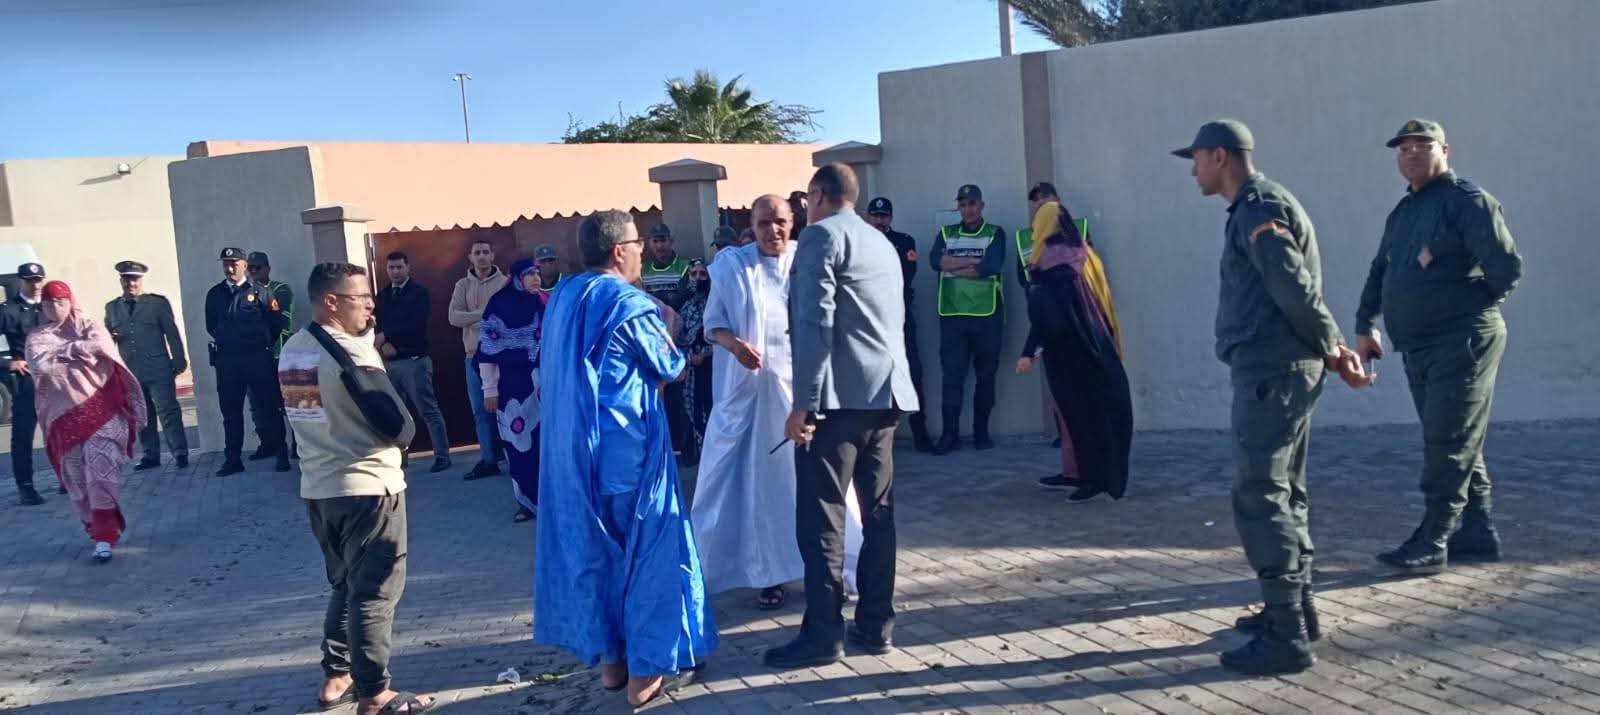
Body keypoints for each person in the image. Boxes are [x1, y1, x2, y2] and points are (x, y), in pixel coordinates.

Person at [1175, 119, 1371, 675]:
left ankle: (1287, 636)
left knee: (1260, 494)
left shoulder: (1258, 207)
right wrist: (1329, 348)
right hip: (1279, 368)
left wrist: (1333, 346)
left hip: (1272, 370)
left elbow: (1292, 285)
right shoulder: (1259, 205)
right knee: (1286, 493)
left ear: (1220, 156)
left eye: (1196, 159)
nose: (1192, 171)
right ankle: (1297, 610)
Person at [535, 209, 715, 708]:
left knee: (599, 558)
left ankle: (612, 667)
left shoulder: (564, 296)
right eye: (636, 244)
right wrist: (670, 323)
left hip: (573, 459)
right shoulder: (628, 304)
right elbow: (670, 365)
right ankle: (646, 675)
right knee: (649, 558)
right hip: (626, 454)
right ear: (619, 251)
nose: (641, 252)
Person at [766, 163, 919, 669]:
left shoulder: (819, 237)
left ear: (816, 195)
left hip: (837, 402)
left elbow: (816, 323)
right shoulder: (880, 241)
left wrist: (803, 403)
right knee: (878, 516)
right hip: (885, 394)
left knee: (822, 519)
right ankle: (875, 625)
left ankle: (823, 634)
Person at [1356, 119, 1523, 572]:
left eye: (1422, 145)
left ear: (1444, 151)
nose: (1411, 152)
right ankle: (1478, 531)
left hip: (1461, 341)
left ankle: (1433, 538)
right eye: (1403, 147)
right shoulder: (1404, 211)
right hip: (1418, 346)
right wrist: (1365, 323)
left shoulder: (1466, 202)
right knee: (1454, 435)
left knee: (1447, 441)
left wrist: (1464, 309)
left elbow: (1506, 269)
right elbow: (1380, 269)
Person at [692, 195, 865, 610]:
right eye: (764, 223)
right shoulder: (734, 268)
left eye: (781, 222)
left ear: (794, 222)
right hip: (751, 402)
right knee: (760, 490)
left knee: (823, 485)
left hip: (802, 397)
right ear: (751, 226)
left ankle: (837, 569)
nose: (773, 230)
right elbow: (712, 325)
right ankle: (766, 574)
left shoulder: (810, 262)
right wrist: (735, 345)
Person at [280, 262, 432, 715]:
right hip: (368, 486)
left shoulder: (294, 349)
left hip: (319, 487)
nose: (370, 306)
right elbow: (399, 425)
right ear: (331, 302)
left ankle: (336, 676)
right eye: (360, 298)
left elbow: (314, 412)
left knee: (345, 584)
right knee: (374, 592)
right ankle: (374, 692)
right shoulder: (353, 353)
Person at [1014, 201, 1134, 503]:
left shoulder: (1050, 262)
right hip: (1096, 344)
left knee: (1080, 418)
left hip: (1070, 353)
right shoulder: (1083, 253)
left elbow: (1047, 314)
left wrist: (1030, 350)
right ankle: (1087, 475)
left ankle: (1090, 479)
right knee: (1093, 415)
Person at [28, 280, 147, 562]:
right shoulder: (37, 336)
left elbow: (101, 346)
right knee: (78, 482)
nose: (54, 307)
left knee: (100, 473)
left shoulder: (89, 325)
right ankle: (97, 528)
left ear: (70, 301)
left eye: (60, 301)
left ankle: (105, 535)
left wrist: (63, 353)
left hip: (102, 411)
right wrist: (79, 352)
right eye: (48, 303)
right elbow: (40, 365)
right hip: (63, 420)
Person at [929, 184, 1008, 454]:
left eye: (972, 203)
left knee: (986, 378)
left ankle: (981, 434)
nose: (968, 209)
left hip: (987, 317)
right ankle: (949, 436)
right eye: (963, 205)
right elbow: (935, 262)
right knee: (952, 378)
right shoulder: (946, 233)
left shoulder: (995, 233)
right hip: (952, 316)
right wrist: (972, 263)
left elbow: (990, 266)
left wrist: (954, 265)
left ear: (981, 205)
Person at [205, 247, 290, 476]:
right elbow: (211, 325)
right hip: (228, 360)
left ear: (244, 265)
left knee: (270, 407)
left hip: (257, 357)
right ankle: (233, 460)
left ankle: (281, 454)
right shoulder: (215, 294)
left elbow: (276, 324)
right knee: (230, 412)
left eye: (234, 263)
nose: (230, 268)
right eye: (226, 264)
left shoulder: (261, 292)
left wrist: (259, 343)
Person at [477, 258, 546, 523]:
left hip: (542, 385)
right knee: (518, 445)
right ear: (517, 278)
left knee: (545, 443)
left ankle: (550, 501)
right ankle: (526, 502)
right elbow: (487, 350)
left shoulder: (543, 303)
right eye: (529, 274)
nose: (536, 278)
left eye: (537, 273)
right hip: (510, 387)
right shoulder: (498, 304)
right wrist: (489, 389)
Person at [104, 260, 189, 471]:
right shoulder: (112, 308)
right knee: (142, 415)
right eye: (126, 279)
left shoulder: (157, 304)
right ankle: (151, 455)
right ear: (121, 281)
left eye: (135, 279)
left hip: (158, 368)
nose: (131, 284)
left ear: (141, 280)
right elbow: (105, 340)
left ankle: (179, 452)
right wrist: (111, 339)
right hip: (131, 370)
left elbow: (172, 333)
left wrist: (179, 360)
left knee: (168, 411)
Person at [865, 196, 935, 452]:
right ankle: (873, 438)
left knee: (913, 374)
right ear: (868, 218)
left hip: (900, 319)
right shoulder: (860, 243)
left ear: (891, 217)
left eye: (883, 216)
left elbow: (906, 274)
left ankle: (921, 434)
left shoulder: (904, 241)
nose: (879, 221)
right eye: (875, 216)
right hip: (870, 321)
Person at [374, 251, 452, 473]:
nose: (395, 272)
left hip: (414, 360)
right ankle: (400, 458)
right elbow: (376, 324)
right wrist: (382, 345)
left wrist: (387, 337)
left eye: (399, 267)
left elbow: (414, 324)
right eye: (391, 267)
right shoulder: (383, 296)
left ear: (408, 267)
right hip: (390, 363)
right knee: (396, 413)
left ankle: (442, 455)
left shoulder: (419, 294)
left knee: (427, 409)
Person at [448, 235, 508, 480]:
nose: (481, 256)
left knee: (506, 407)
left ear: (492, 255)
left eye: (485, 252)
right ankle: (489, 460)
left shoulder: (504, 283)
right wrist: (485, 314)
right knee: (481, 411)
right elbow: (453, 317)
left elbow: (506, 317)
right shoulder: (462, 285)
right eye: (477, 253)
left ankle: (513, 455)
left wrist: (472, 317)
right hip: (473, 356)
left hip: (501, 356)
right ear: (470, 257)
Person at [2, 262, 50, 505]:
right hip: (26, 382)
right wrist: (7, 363)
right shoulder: (7, 310)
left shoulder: (50, 306)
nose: (35, 285)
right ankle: (26, 486)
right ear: (20, 281)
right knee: (23, 436)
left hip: (54, 379)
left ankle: (68, 478)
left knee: (61, 430)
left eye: (39, 280)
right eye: (30, 281)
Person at [248, 252, 297, 461]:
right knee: (258, 404)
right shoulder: (244, 292)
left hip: (280, 354)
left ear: (267, 268)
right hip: (255, 356)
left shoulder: (280, 289)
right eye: (250, 268)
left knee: (289, 403)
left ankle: (296, 444)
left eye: (258, 267)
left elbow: (277, 318)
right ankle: (268, 443)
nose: (254, 272)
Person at [676, 258, 714, 462]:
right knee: (693, 412)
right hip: (689, 368)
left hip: (713, 367)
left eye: (703, 274)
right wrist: (690, 356)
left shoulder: (715, 303)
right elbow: (677, 338)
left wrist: (705, 353)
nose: (698, 278)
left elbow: (721, 335)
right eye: (694, 274)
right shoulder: (682, 305)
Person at [640, 223, 690, 309]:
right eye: (655, 241)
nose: (659, 246)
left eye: (663, 241)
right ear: (649, 243)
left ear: (671, 241)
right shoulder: (643, 269)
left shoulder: (684, 266)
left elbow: (683, 298)